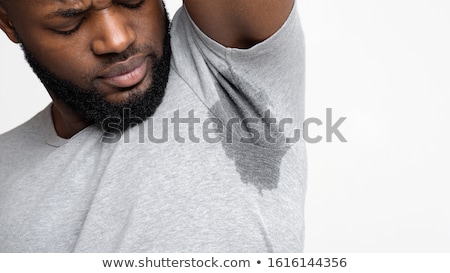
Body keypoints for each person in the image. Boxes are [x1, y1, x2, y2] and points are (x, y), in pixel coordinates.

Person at [0, 0, 306, 252]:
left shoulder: (223, 67)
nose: (117, 39)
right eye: (70, 23)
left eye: (133, 1)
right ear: (8, 21)